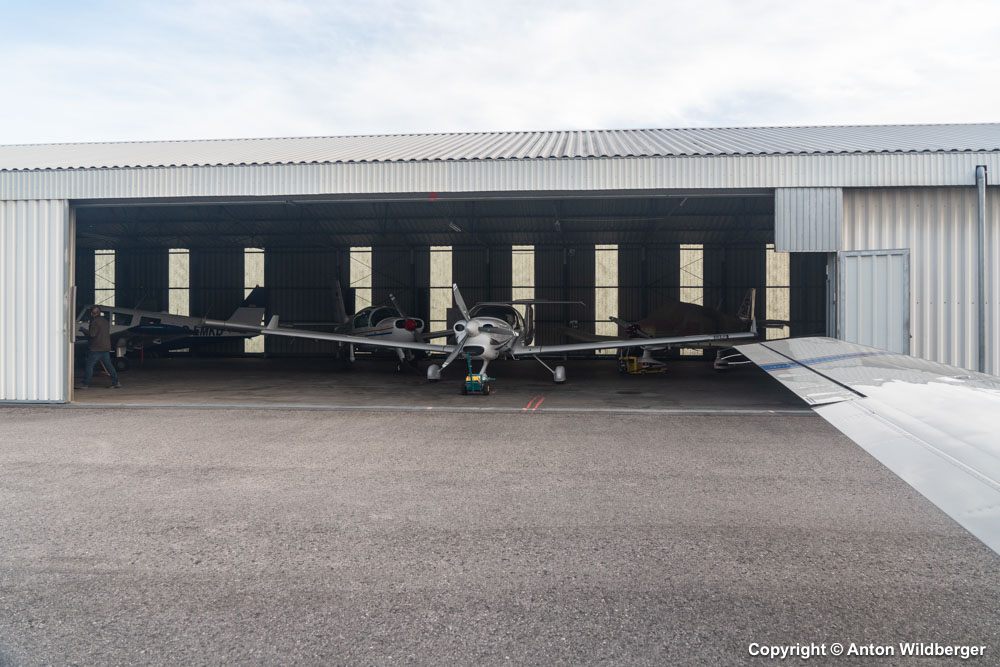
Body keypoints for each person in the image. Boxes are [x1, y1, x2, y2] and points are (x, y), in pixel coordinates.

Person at [80, 305, 121, 389]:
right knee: (109, 365)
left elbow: (92, 334)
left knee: (89, 365)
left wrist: (83, 330)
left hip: (96, 348)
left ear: (92, 313)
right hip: (105, 347)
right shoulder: (105, 321)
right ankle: (116, 382)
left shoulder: (95, 321)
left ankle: (85, 383)